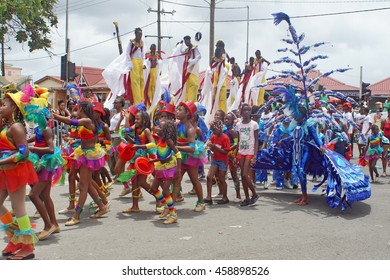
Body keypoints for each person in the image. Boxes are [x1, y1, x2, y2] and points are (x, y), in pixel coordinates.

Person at [52, 100, 109, 226]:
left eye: (78, 109)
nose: (76, 111)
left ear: (82, 110)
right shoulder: (86, 121)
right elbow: (72, 121)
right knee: (87, 185)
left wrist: (55, 116)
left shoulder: (87, 120)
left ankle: (76, 215)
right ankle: (102, 207)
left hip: (89, 155)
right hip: (83, 152)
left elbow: (70, 121)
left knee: (83, 186)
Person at [0, 91, 39, 260]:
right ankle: (15, 239)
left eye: (3, 105)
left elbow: (24, 152)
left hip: (16, 171)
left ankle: (27, 246)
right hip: (5, 171)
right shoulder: (6, 126)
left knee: (19, 208)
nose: (0, 107)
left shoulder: (16, 127)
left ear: (14, 107)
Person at [139, 120, 181, 224]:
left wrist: (178, 170)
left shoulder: (169, 141)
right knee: (153, 188)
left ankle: (173, 214)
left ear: (165, 130)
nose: (157, 128)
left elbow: (178, 154)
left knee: (165, 190)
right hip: (161, 167)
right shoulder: (160, 140)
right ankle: (166, 206)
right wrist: (153, 160)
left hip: (170, 168)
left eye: (160, 127)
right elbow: (161, 154)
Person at [172, 101, 206, 212]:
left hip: (190, 158)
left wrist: (177, 147)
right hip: (180, 157)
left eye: (180, 110)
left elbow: (192, 147)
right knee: (177, 180)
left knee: (194, 180)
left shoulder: (190, 128)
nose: (177, 112)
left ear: (187, 113)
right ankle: (170, 206)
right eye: (177, 109)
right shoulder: (176, 125)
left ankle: (201, 202)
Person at [235, 103, 259, 207]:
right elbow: (238, 140)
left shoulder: (254, 124)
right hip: (241, 152)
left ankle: (254, 194)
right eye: (244, 110)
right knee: (242, 176)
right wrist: (236, 154)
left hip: (250, 152)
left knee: (245, 174)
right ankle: (247, 198)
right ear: (241, 112)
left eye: (248, 110)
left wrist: (255, 155)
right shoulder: (238, 125)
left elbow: (257, 141)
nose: (246, 112)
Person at [204, 120, 231, 205]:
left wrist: (214, 146)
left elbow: (226, 152)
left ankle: (225, 197)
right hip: (215, 159)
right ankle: (208, 197)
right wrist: (210, 147)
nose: (213, 132)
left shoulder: (225, 138)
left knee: (222, 179)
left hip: (223, 161)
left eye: (214, 130)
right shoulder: (213, 137)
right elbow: (212, 149)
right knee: (209, 177)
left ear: (220, 128)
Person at [124, 27, 144, 105]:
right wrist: (130, 63)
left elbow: (143, 53)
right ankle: (137, 101)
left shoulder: (142, 42)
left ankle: (142, 98)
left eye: (141, 34)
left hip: (140, 61)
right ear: (135, 34)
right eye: (139, 34)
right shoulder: (131, 42)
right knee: (135, 81)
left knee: (141, 80)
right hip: (134, 61)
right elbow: (127, 53)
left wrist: (144, 63)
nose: (140, 36)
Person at [181, 35, 201, 102]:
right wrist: (180, 44)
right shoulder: (186, 49)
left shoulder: (195, 48)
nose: (186, 43)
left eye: (187, 41)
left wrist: (191, 61)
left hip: (193, 71)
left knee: (193, 87)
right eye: (185, 42)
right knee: (187, 90)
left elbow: (199, 56)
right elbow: (181, 51)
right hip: (187, 71)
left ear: (189, 40)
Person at [144, 43, 162, 109]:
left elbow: (160, 62)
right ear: (150, 49)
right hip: (149, 72)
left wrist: (160, 71)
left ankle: (154, 102)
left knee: (154, 87)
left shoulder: (157, 55)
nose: (153, 50)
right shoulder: (147, 54)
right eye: (152, 49)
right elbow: (145, 62)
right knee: (149, 87)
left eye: (154, 49)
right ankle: (148, 103)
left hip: (155, 71)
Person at [381, 112, 390, 176]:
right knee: (384, 156)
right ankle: (384, 171)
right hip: (386, 140)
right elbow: (381, 129)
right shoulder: (384, 120)